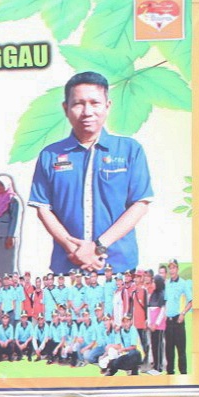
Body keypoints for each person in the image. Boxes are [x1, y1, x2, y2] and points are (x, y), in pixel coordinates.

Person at [29, 71, 154, 275]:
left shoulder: (130, 150)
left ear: (107, 106)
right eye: (78, 103)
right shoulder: (50, 155)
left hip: (119, 267)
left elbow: (140, 204)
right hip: (67, 268)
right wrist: (75, 249)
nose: (87, 111)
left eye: (95, 103)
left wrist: (99, 246)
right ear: (65, 108)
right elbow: (43, 208)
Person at [164, 260, 192, 375]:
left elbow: (191, 301)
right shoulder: (167, 284)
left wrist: (183, 313)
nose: (172, 270)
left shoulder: (183, 283)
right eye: (170, 268)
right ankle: (170, 374)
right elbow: (165, 301)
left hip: (178, 320)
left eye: (174, 268)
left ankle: (183, 374)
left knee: (181, 350)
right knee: (169, 350)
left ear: (177, 269)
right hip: (168, 321)